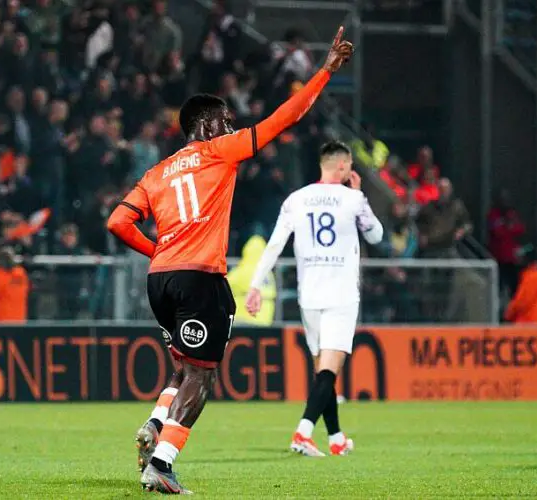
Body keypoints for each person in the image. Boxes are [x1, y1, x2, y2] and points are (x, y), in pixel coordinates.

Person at [107, 27, 353, 494]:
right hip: (199, 278)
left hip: (160, 280)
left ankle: (157, 424)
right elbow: (285, 118)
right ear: (210, 125)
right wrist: (323, 73)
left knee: (182, 368)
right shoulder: (220, 151)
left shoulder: (157, 172)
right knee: (202, 377)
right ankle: (161, 462)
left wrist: (156, 249)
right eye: (227, 118)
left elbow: (117, 222)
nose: (232, 124)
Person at [244, 141, 383, 457]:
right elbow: (377, 235)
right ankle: (303, 432)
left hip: (310, 296)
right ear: (344, 167)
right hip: (341, 293)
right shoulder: (353, 198)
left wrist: (255, 285)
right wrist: (362, 198)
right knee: (329, 372)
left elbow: (275, 245)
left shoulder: (297, 199)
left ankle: (335, 438)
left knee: (323, 371)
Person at [227, 235, 276, 325]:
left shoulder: (244, 270)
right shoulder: (269, 274)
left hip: (246, 321)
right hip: (266, 321)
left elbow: (223, 286)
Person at [504, 249, 537, 324]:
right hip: (532, 321)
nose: (518, 260)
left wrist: (508, 314)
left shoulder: (532, 276)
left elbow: (523, 301)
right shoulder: (535, 275)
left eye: (521, 258)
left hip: (526, 322)